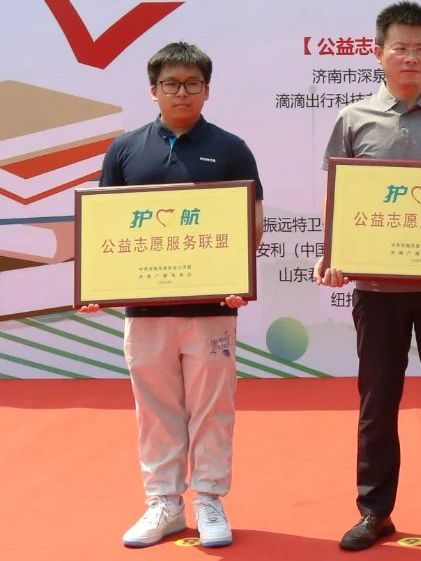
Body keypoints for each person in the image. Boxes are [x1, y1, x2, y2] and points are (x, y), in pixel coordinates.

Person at [316, 1, 421, 551]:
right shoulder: (354, 119)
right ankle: (374, 511)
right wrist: (332, 254)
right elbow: (339, 197)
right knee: (377, 404)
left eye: (420, 48)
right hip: (377, 291)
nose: (410, 57)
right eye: (400, 47)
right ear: (378, 53)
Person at [78, 41, 264, 549]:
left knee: (212, 407)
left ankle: (209, 499)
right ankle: (163, 502)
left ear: (207, 89)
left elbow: (253, 219)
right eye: (171, 84)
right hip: (145, 310)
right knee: (155, 408)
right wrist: (99, 284)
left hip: (211, 308)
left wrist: (238, 277)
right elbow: (107, 225)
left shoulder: (231, 148)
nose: (181, 92)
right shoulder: (125, 150)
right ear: (153, 90)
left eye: (192, 84)